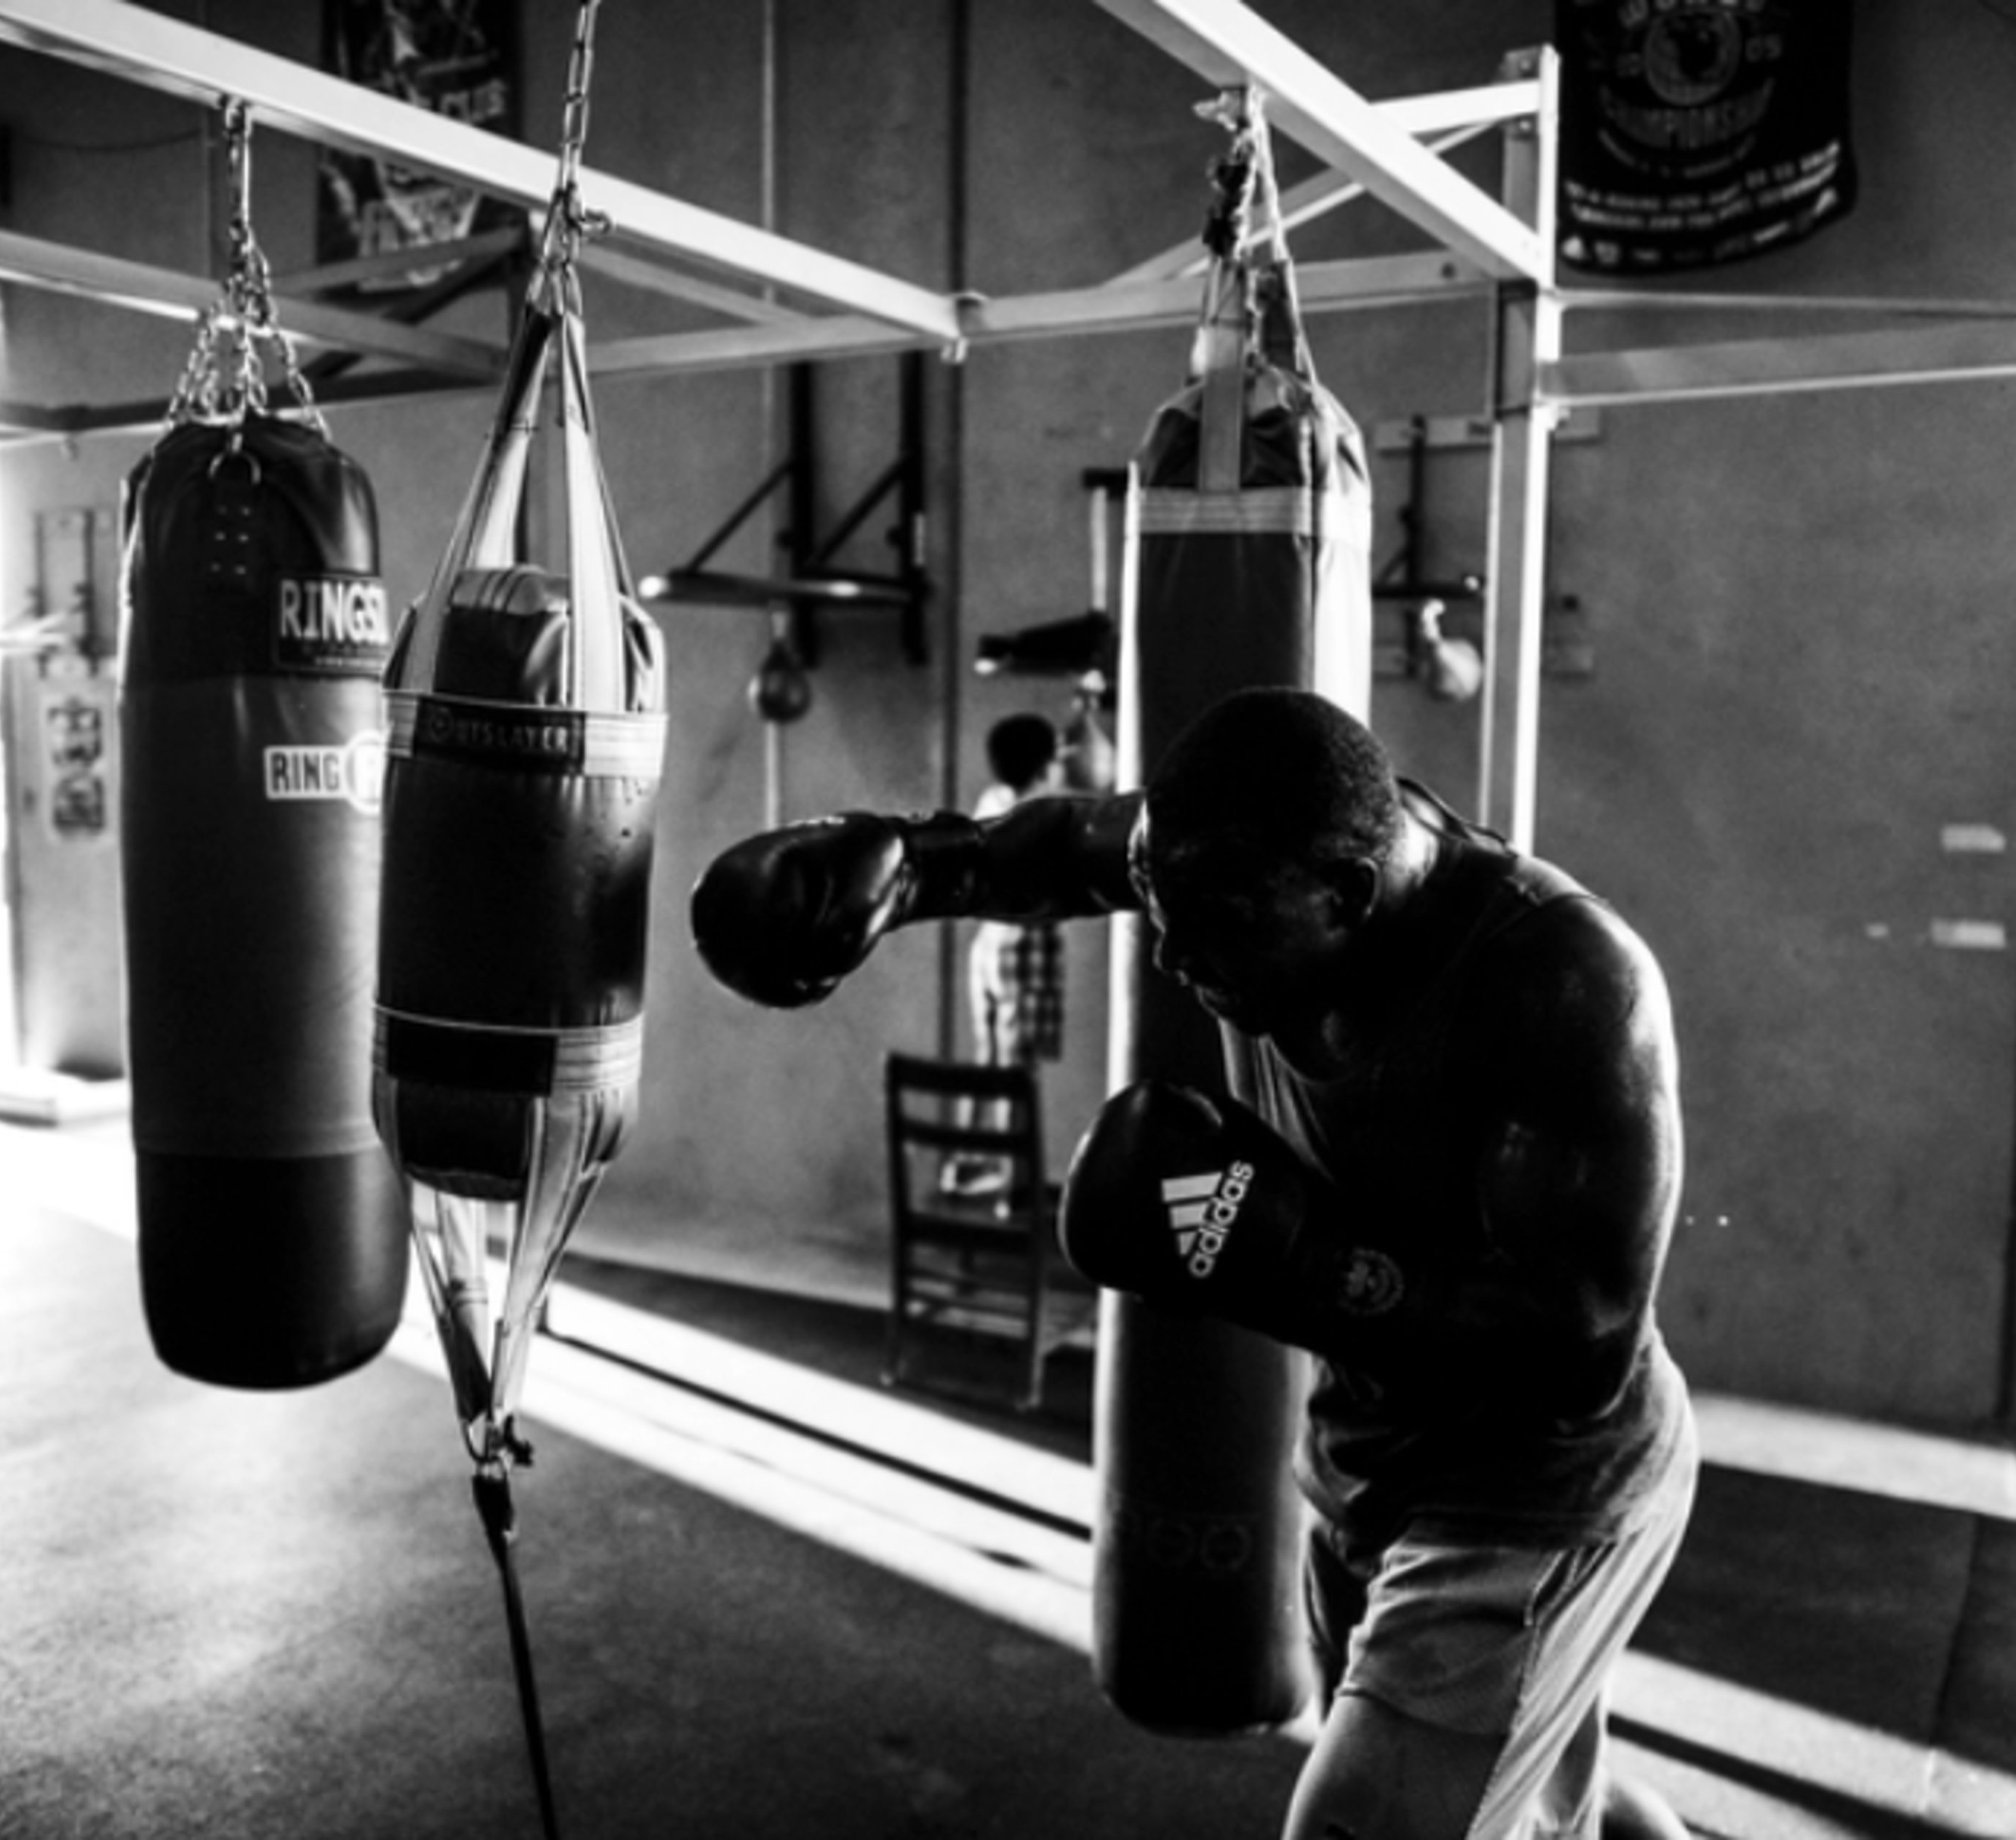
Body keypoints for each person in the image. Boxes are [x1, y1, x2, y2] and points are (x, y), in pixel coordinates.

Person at [691, 687, 1696, 1840]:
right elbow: (1070, 847)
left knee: (1366, 1820)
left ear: (1346, 895)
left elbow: (1581, 1343)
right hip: (1366, 1456)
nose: (1171, 953)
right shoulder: (1231, 860)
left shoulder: (1561, 981)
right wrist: (914, 867)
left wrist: (1297, 1258)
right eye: (1162, 909)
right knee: (1531, 1793)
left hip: (1539, 1484)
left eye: (1212, 922)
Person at [949, 712, 1068, 1195]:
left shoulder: (991, 802)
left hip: (988, 948)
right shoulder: (1039, 812)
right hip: (1027, 951)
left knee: (988, 1059)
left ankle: (965, 1165)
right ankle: (1012, 1185)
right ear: (1043, 764)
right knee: (1019, 1073)